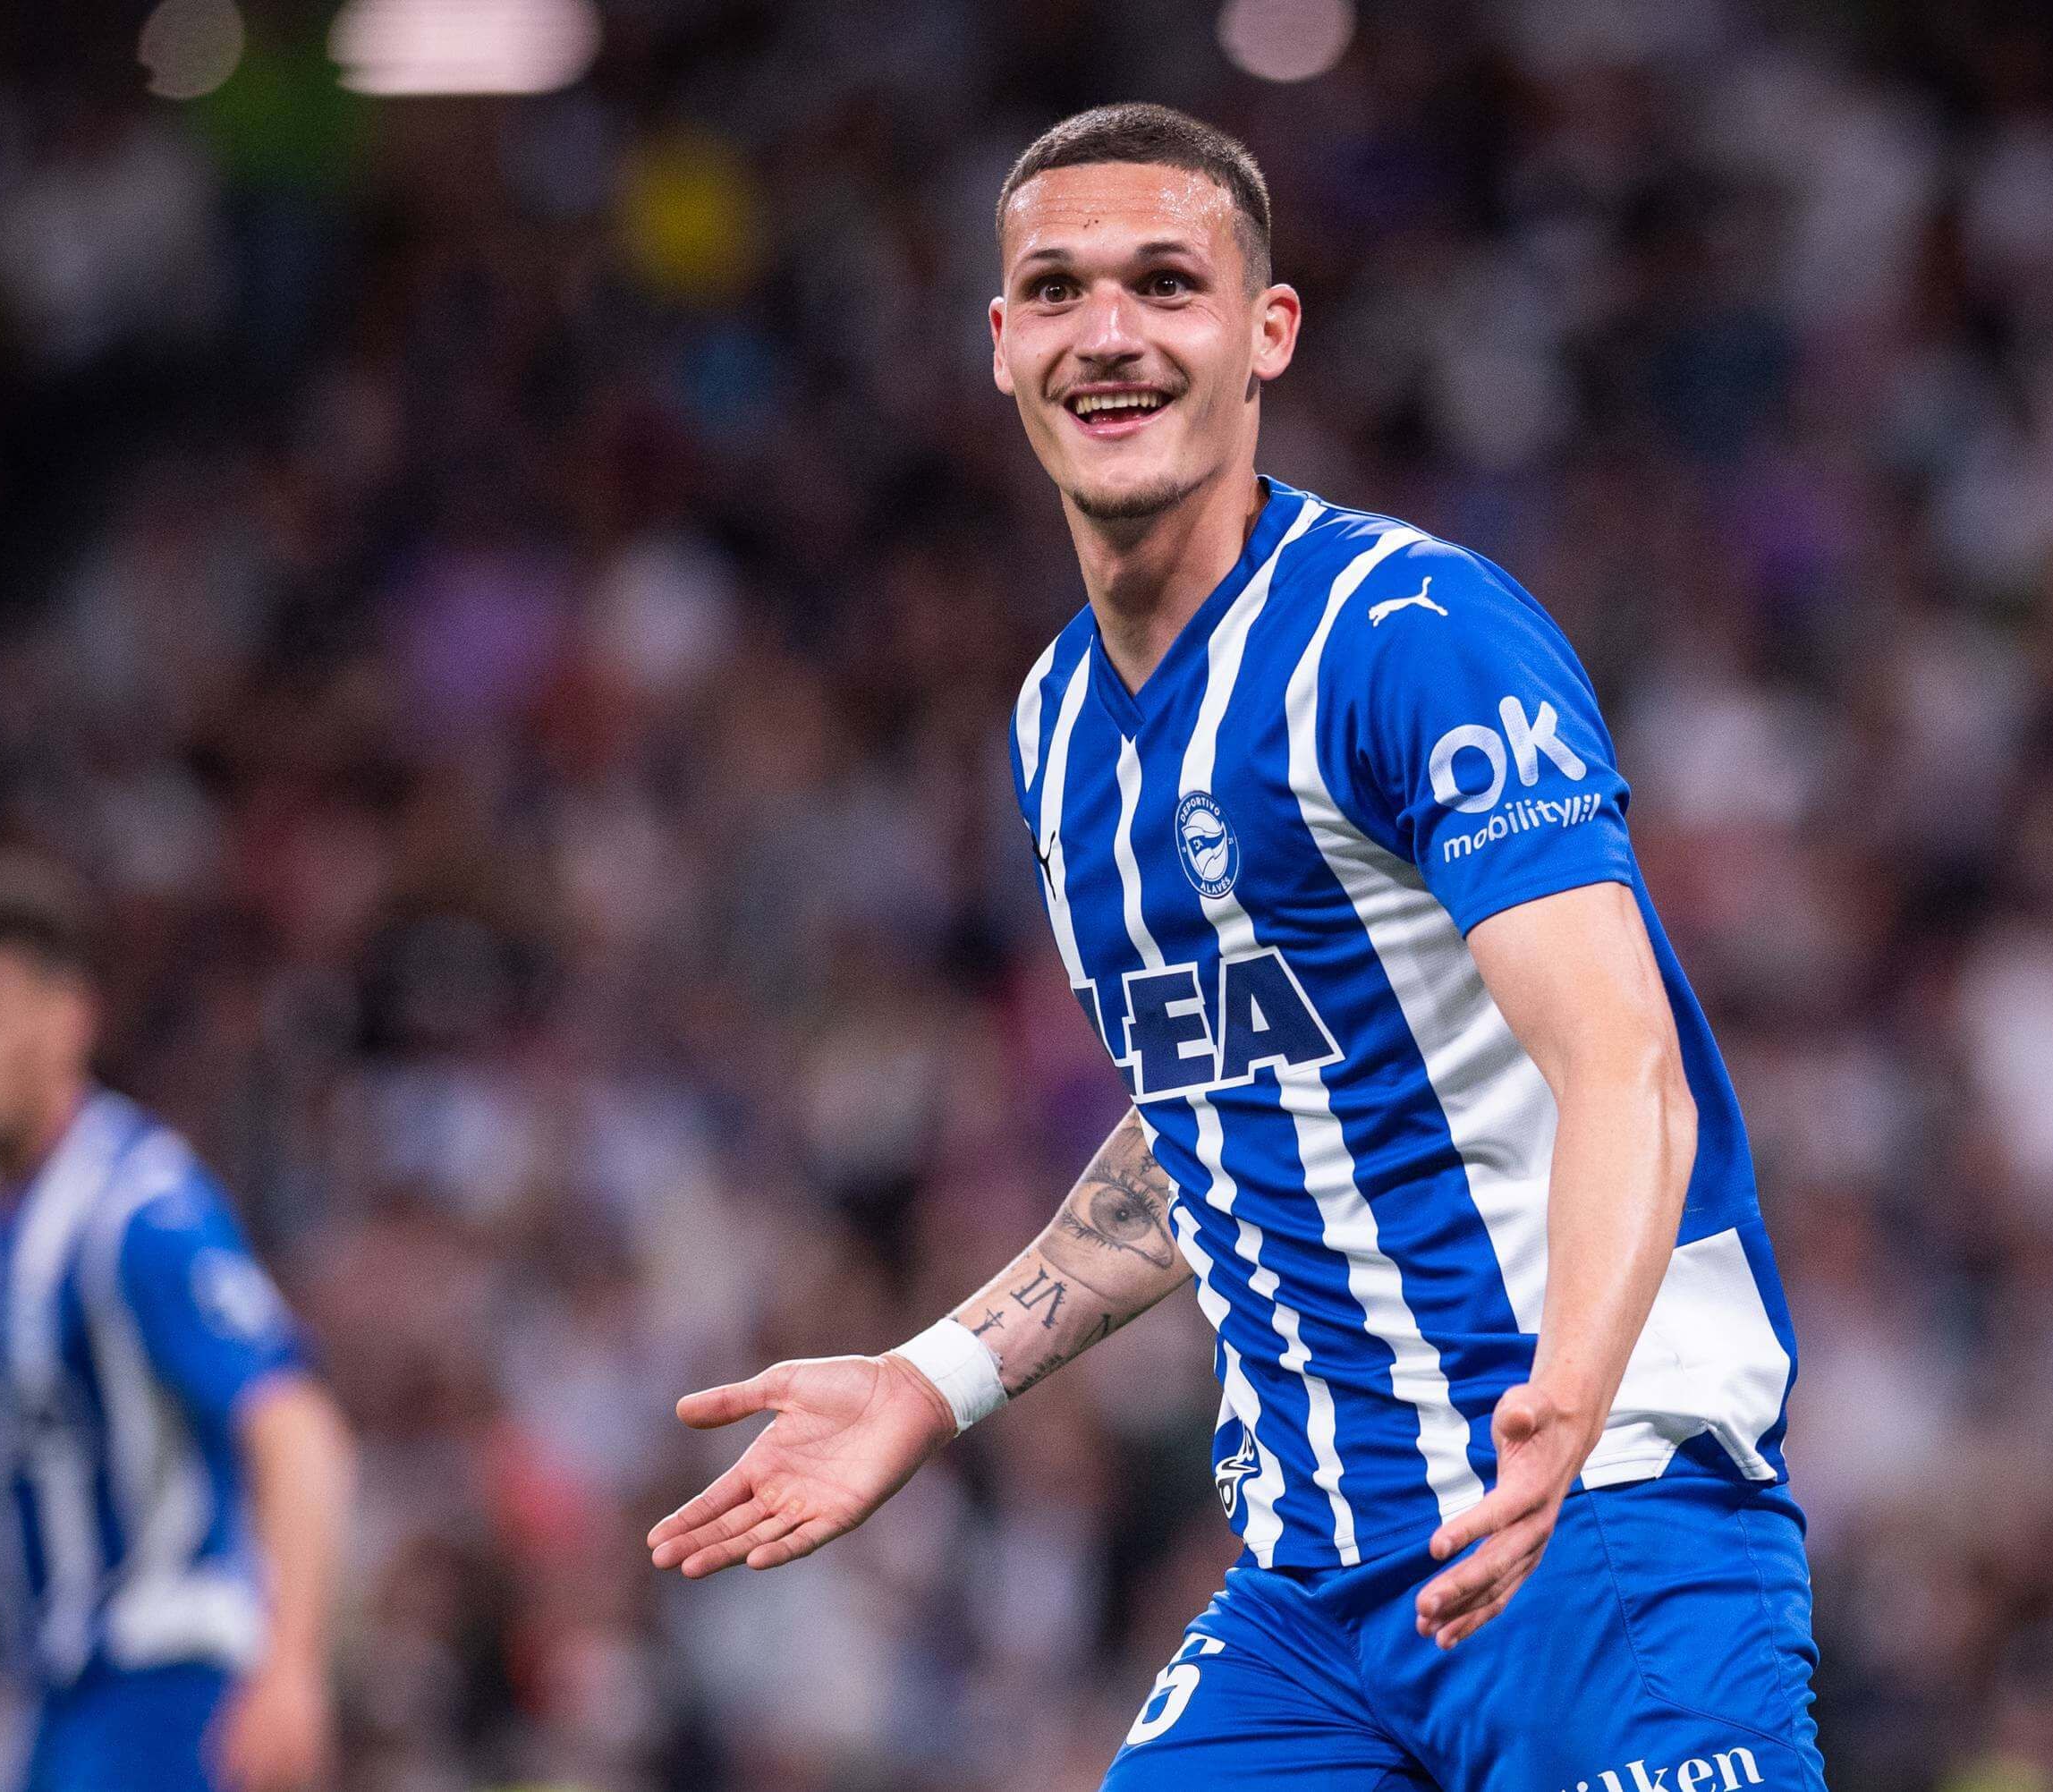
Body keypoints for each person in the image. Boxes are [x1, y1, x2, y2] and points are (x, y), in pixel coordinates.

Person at [650, 103, 1821, 1791]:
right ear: (1002, 343)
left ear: (1267, 330)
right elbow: (1230, 1102)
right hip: (1316, 1600)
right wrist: (935, 1376)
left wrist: (1567, 1399)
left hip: (1602, 1519)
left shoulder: (1412, 638)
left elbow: (1625, 1063)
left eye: (1165, 283)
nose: (1108, 333)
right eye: (1058, 290)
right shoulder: (1058, 727)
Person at [0, 853, 354, 1792]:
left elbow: (297, 1427)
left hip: (174, 1681)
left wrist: (292, 1664)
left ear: (66, 1020)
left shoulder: (139, 1211)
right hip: (50, 1694)